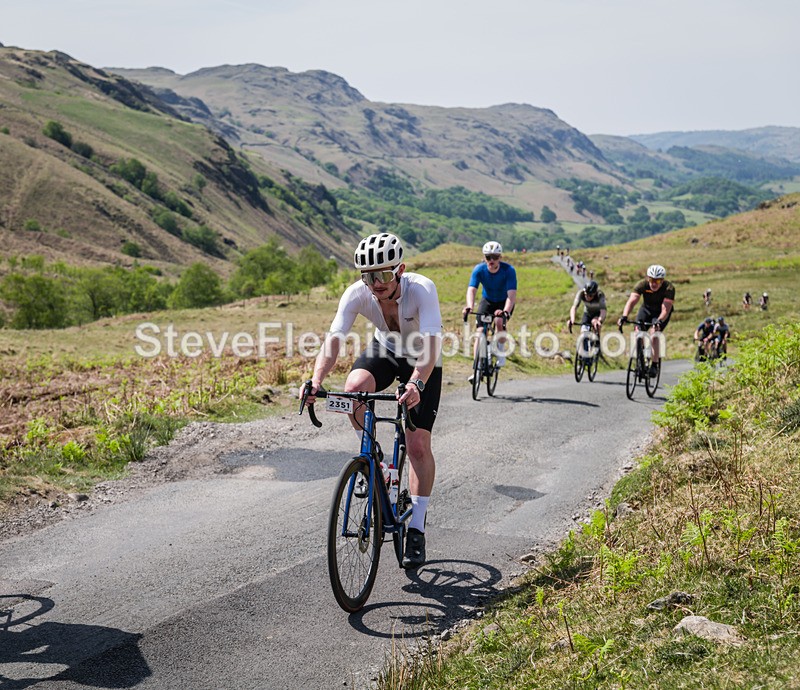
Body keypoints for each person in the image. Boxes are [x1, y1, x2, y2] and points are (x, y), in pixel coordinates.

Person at [302, 232, 442, 570]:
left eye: (382, 275)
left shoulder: (422, 289)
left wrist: (416, 384)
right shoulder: (358, 293)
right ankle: (374, 461)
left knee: (417, 445)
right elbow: (334, 339)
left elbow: (432, 344)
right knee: (353, 390)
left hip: (423, 359)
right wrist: (316, 380)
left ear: (399, 270)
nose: (375, 284)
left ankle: (417, 528)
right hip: (386, 350)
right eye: (368, 276)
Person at [462, 241, 517, 370]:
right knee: (480, 331)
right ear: (484, 257)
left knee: (499, 321)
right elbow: (472, 289)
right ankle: (477, 367)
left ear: (500, 258)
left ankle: (500, 350)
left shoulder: (508, 270)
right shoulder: (479, 269)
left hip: (504, 301)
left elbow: (511, 295)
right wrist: (469, 306)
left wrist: (505, 311)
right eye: (488, 257)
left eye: (495, 257)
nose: (491, 260)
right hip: (487, 301)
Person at [617, 264, 675, 377]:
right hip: (646, 310)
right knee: (638, 333)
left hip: (660, 313)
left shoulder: (669, 288)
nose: (654, 283)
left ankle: (654, 365)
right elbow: (632, 301)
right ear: (648, 278)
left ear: (662, 281)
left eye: (657, 281)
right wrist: (624, 316)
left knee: (654, 334)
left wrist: (659, 321)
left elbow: (665, 309)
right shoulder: (642, 284)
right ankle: (640, 361)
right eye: (652, 280)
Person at [568, 280, 607, 358]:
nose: (587, 297)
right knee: (583, 331)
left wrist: (599, 320)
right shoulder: (581, 293)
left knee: (595, 323)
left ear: (595, 293)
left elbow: (603, 310)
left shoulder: (600, 295)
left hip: (597, 314)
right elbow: (574, 307)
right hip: (587, 313)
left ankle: (597, 344)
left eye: (590, 296)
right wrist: (572, 319)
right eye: (586, 294)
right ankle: (584, 353)